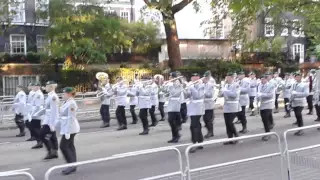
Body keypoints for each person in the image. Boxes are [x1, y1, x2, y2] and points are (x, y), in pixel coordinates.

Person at [55, 87, 80, 175]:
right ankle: (73, 164)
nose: (62, 95)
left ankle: (71, 165)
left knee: (63, 146)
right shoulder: (67, 102)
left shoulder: (72, 103)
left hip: (70, 128)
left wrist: (67, 131)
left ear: (69, 94)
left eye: (64, 93)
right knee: (70, 146)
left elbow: (71, 118)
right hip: (67, 127)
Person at [40, 81, 59, 160]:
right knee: (52, 136)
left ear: (51, 87)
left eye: (47, 86)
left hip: (50, 120)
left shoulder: (53, 97)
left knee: (42, 134)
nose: (45, 87)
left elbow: (54, 111)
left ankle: (50, 151)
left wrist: (52, 123)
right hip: (47, 119)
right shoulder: (49, 95)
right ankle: (54, 152)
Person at [219, 72, 240, 145]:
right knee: (227, 124)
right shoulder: (225, 85)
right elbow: (220, 95)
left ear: (232, 78)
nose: (227, 78)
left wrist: (225, 91)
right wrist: (221, 90)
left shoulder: (236, 85)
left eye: (229, 77)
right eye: (226, 77)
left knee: (230, 123)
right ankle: (230, 138)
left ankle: (236, 135)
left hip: (233, 106)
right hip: (226, 106)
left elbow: (234, 95)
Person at [186, 73, 205, 153]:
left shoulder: (202, 85)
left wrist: (191, 87)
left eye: (196, 77)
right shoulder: (191, 85)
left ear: (198, 77)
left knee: (193, 125)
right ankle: (200, 141)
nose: (194, 78)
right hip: (191, 107)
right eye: (193, 77)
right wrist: (185, 89)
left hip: (198, 107)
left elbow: (197, 95)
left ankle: (194, 143)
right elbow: (187, 96)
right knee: (197, 124)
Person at [165, 72, 183, 143]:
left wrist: (170, 86)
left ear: (173, 77)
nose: (169, 78)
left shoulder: (177, 83)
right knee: (171, 121)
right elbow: (166, 92)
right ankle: (175, 135)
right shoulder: (171, 84)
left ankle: (176, 135)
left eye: (170, 76)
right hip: (170, 103)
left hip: (175, 103)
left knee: (171, 120)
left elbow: (176, 93)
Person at [256, 74, 275, 141]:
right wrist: (257, 100)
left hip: (268, 104)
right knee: (264, 119)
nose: (262, 80)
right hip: (262, 104)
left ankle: (268, 133)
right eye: (261, 79)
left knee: (265, 119)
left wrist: (262, 95)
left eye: (263, 79)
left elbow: (270, 95)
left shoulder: (271, 86)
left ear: (267, 79)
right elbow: (258, 94)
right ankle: (269, 127)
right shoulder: (259, 85)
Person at [30, 82, 45, 149]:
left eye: (35, 86)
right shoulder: (36, 93)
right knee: (34, 127)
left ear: (38, 87)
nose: (34, 87)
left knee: (35, 128)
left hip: (36, 113)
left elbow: (38, 105)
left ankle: (40, 141)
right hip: (34, 112)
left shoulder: (39, 94)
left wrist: (34, 113)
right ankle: (39, 141)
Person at [202, 71, 215, 138]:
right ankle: (210, 131)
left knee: (208, 119)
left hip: (209, 104)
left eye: (206, 78)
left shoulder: (211, 85)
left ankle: (210, 132)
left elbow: (210, 95)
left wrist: (203, 93)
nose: (204, 79)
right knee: (205, 119)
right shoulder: (202, 84)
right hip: (203, 105)